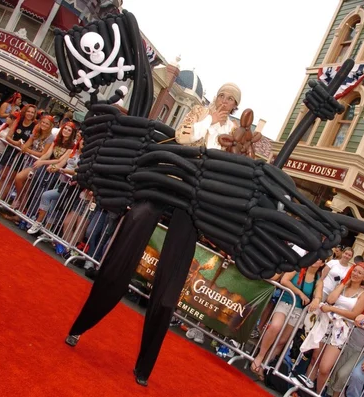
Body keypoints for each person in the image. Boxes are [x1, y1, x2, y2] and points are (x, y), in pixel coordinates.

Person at [67, 83, 244, 386]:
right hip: (167, 180)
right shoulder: (197, 112)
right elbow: (184, 138)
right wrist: (208, 134)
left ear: (236, 105)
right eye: (223, 96)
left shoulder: (236, 132)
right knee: (126, 246)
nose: (226, 102)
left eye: (232, 100)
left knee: (169, 289)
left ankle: (144, 367)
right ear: (217, 97)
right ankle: (80, 325)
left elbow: (228, 165)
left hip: (193, 198)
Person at [250, 260, 324, 381]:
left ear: (322, 264)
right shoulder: (298, 268)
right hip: (285, 302)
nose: (315, 261)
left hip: (298, 310)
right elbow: (284, 280)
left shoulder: (318, 280)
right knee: (275, 326)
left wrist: (316, 300)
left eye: (319, 260)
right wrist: (300, 293)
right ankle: (260, 356)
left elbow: (318, 295)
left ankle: (264, 366)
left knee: (282, 341)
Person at [307, 262, 364, 393]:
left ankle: (318, 393)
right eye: (354, 270)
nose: (355, 274)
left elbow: (354, 314)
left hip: (341, 330)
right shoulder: (342, 286)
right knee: (315, 358)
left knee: (325, 367)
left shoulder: (363, 294)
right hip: (326, 323)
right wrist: (343, 283)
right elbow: (330, 299)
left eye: (360, 273)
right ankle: (304, 389)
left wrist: (332, 309)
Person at [175, 82, 241, 148]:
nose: (224, 101)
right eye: (221, 96)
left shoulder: (232, 129)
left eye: (230, 99)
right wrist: (210, 120)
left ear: (235, 105)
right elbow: (179, 136)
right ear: (216, 98)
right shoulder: (199, 111)